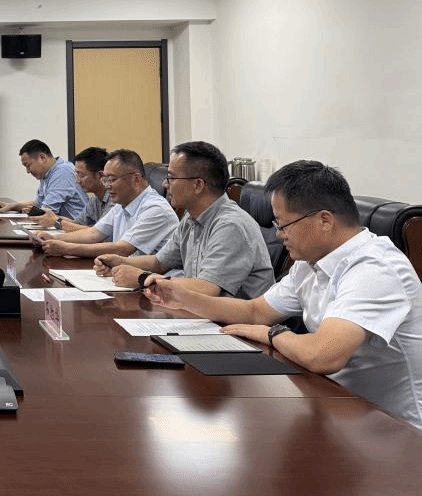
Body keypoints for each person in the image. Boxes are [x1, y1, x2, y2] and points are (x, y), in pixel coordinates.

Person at [148, 160, 422, 429]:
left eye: (283, 224)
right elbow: (256, 311)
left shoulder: (375, 269)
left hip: (393, 432)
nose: (279, 235)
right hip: (335, 407)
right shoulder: (309, 263)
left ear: (324, 220)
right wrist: (183, 297)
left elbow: (323, 355)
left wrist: (273, 334)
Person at [94, 141, 273, 297]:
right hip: (199, 313)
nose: (165, 184)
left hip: (234, 323)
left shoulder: (230, 226)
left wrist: (142, 278)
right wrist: (121, 262)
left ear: (198, 185)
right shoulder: (191, 218)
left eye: (171, 177)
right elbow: (159, 262)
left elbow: (207, 289)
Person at [35, 148, 177, 259]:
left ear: (136, 180)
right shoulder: (122, 204)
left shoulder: (155, 208)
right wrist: (52, 238)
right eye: (105, 179)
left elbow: (122, 249)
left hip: (156, 282)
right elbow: (93, 233)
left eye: (112, 180)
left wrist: (65, 248)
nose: (107, 186)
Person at [0, 139, 86, 219]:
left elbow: (47, 211)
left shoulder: (63, 171)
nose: (28, 171)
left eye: (28, 165)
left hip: (77, 229)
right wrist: (12, 206)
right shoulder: (47, 174)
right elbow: (39, 204)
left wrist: (33, 211)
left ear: (42, 158)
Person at [30, 146, 114, 231]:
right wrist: (53, 218)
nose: (77, 181)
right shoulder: (95, 199)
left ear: (100, 175)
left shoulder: (114, 199)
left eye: (81, 176)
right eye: (77, 175)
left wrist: (56, 222)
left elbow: (98, 232)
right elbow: (77, 223)